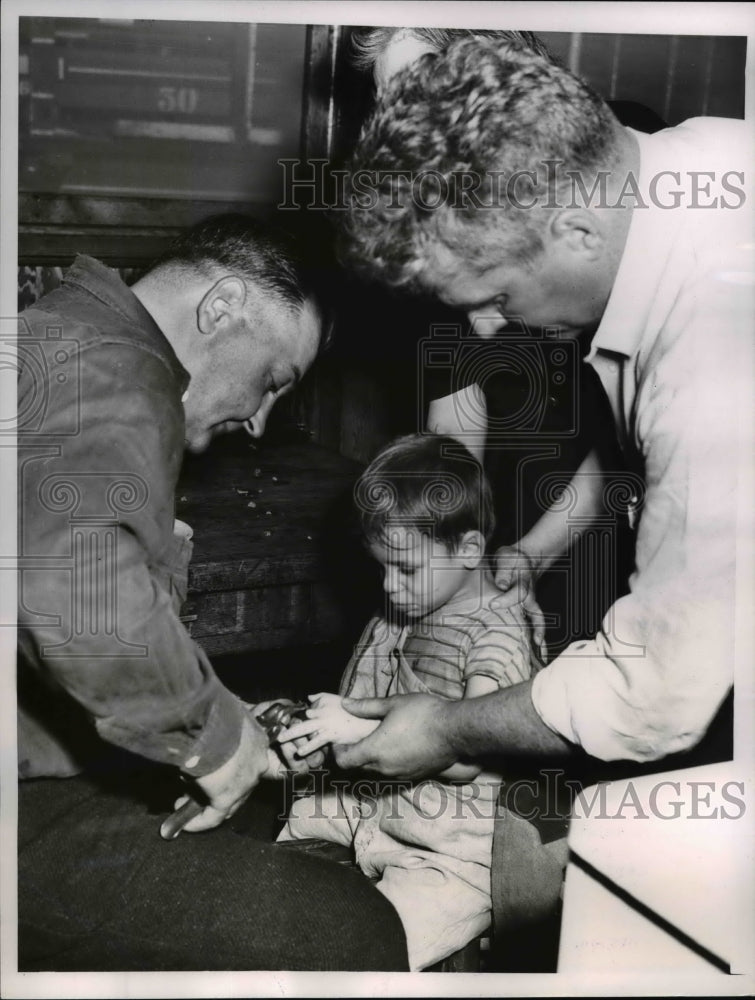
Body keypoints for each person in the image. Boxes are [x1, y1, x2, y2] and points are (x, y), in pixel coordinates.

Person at [334, 37, 752, 774]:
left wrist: (447, 728)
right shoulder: (693, 160)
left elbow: (652, 694)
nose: (487, 329)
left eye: (497, 299)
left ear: (577, 233)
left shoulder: (711, 355)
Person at [16, 214, 409, 971]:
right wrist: (212, 738)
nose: (262, 422)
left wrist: (222, 710)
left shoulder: (64, 328)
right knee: (352, 932)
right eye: (272, 381)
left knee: (257, 811)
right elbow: (73, 586)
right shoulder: (114, 376)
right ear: (221, 306)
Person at [275, 433, 541, 970]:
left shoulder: (495, 637)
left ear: (468, 550)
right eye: (381, 568)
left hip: (449, 850)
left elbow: (467, 758)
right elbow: (358, 699)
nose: (391, 587)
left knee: (374, 952)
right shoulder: (402, 611)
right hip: (376, 808)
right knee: (290, 828)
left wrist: (351, 731)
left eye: (407, 569)